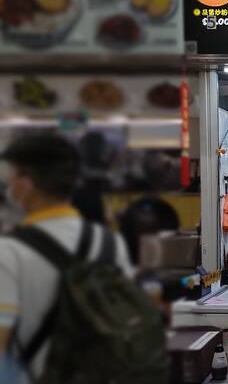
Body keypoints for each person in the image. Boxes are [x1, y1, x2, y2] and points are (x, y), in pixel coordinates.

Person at [0, 134, 135, 379]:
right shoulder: (110, 242)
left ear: (26, 185)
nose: (9, 185)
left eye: (12, 176)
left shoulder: (9, 252)